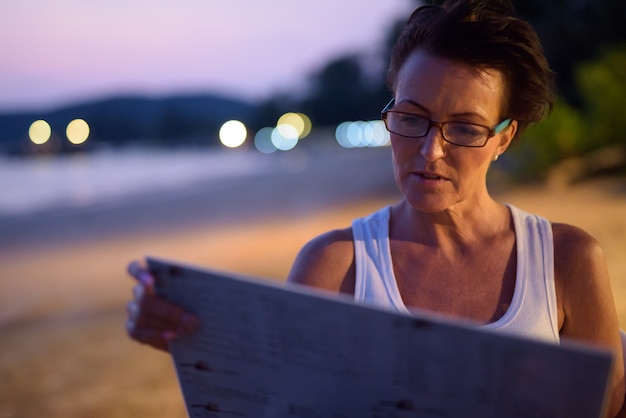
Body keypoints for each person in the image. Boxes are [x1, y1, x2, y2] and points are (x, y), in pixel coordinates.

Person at [125, 0, 625, 415]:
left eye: (467, 129)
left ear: (504, 138)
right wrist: (196, 341)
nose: (430, 151)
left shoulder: (567, 260)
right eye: (411, 118)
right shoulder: (335, 267)